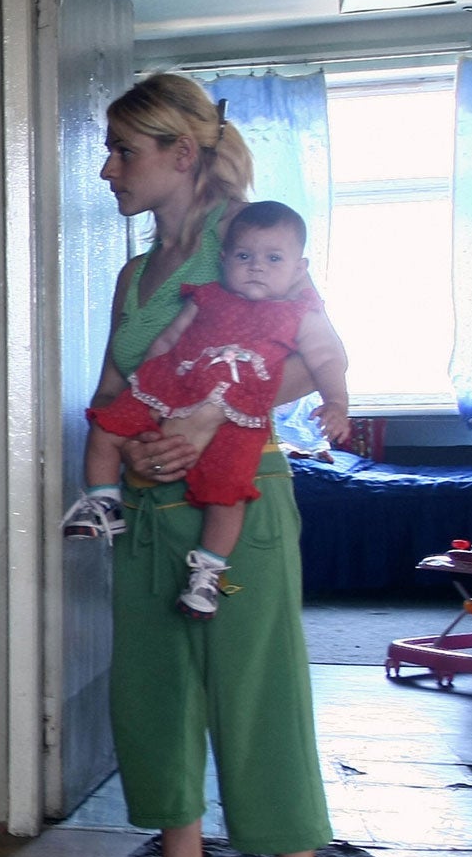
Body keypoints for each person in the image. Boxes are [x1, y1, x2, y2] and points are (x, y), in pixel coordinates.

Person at [69, 74, 335, 857]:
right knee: (155, 696)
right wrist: (127, 457)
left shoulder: (253, 245)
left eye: (123, 151)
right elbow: (111, 385)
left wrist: (213, 414)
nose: (107, 170)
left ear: (182, 155)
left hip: (239, 509)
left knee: (256, 698)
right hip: (148, 512)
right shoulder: (135, 275)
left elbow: (313, 356)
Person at [65, 199, 351, 619]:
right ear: (224, 260)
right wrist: (146, 381)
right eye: (244, 256)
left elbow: (327, 358)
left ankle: (208, 573)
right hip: (169, 389)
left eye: (273, 259)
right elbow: (167, 340)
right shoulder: (207, 297)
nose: (256, 266)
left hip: (235, 419)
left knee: (227, 494)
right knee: (105, 427)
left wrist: (337, 403)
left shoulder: (297, 313)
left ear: (299, 268)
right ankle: (103, 501)